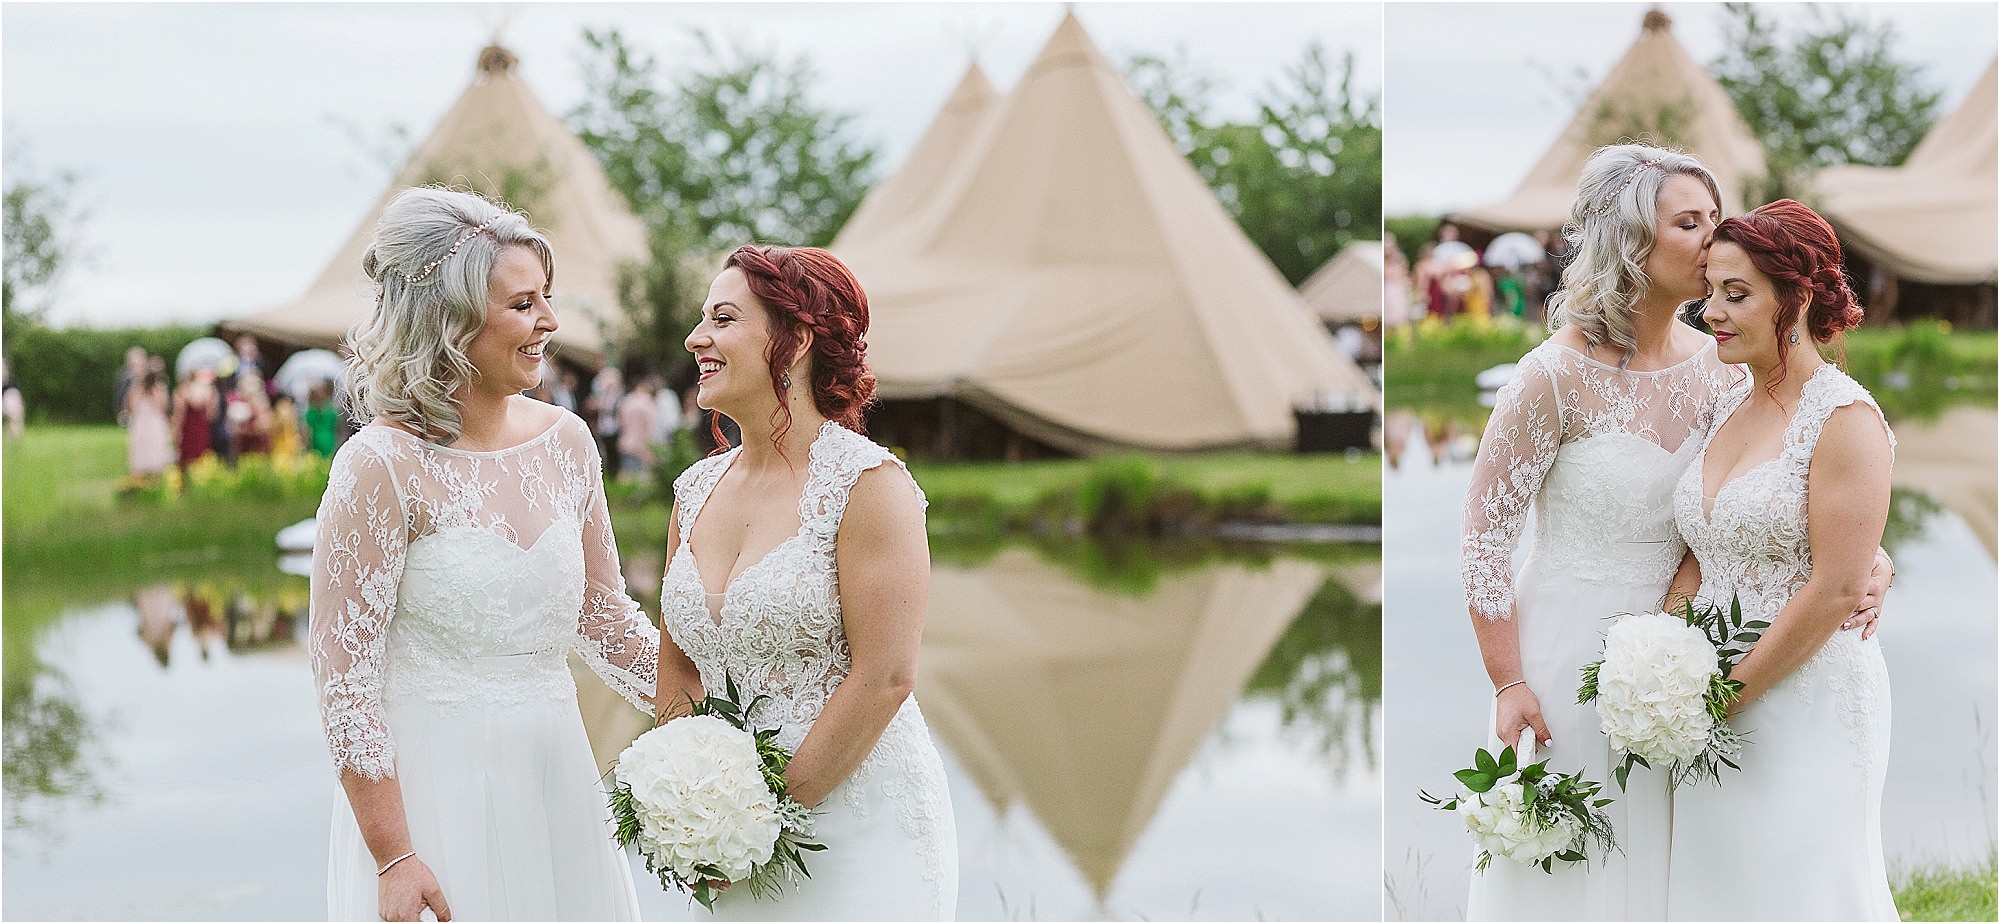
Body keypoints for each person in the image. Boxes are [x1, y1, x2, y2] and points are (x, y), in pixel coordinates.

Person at [1458, 145, 1891, 921]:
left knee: (1688, 876)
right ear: (1629, 240)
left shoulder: (1723, 368)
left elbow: (1777, 490)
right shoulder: (1551, 376)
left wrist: (1872, 559)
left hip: (1689, 655)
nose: (1712, 238)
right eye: (1689, 223)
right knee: (1576, 873)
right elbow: (1484, 543)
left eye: (1714, 218)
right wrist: (1508, 681)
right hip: (1567, 650)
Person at [309, 186, 659, 922]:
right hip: (435, 799)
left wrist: (718, 707)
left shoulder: (567, 443)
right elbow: (346, 683)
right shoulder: (380, 465)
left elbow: (605, 619)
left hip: (556, 778)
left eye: (546, 299)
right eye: (524, 304)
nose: (550, 322)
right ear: (451, 320)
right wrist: (393, 856)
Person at [659, 244, 958, 920]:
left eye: (723, 319)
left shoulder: (867, 485)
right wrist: (689, 804)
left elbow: (885, 677)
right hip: (722, 841)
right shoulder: (693, 491)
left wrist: (758, 821)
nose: (696, 338)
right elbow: (678, 667)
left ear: (794, 343)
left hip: (856, 830)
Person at [1666, 200, 1897, 919]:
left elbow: (1836, 588)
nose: (1712, 312)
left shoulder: (1844, 419)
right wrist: (1664, 661)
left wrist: (1721, 699)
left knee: (1798, 893)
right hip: (1705, 696)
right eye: (1712, 291)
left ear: (1796, 299)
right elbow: (1702, 548)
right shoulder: (1728, 406)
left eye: (1736, 295)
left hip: (1803, 698)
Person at [126, 366, 174, 481]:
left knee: (149, 446)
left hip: (144, 423)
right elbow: (164, 408)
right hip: (151, 422)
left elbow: (131, 407)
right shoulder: (152, 390)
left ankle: (147, 475)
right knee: (151, 446)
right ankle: (149, 475)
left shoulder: (138, 390)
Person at [171, 366, 220, 479]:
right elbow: (212, 415)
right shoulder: (208, 391)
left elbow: (179, 415)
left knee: (185, 458)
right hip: (201, 428)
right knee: (200, 455)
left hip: (187, 429)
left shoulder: (182, 391)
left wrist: (176, 431)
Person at [616, 373, 657, 479]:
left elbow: (622, 422)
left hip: (627, 443)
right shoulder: (648, 402)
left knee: (625, 474)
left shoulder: (628, 400)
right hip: (643, 445)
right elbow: (652, 424)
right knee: (642, 478)